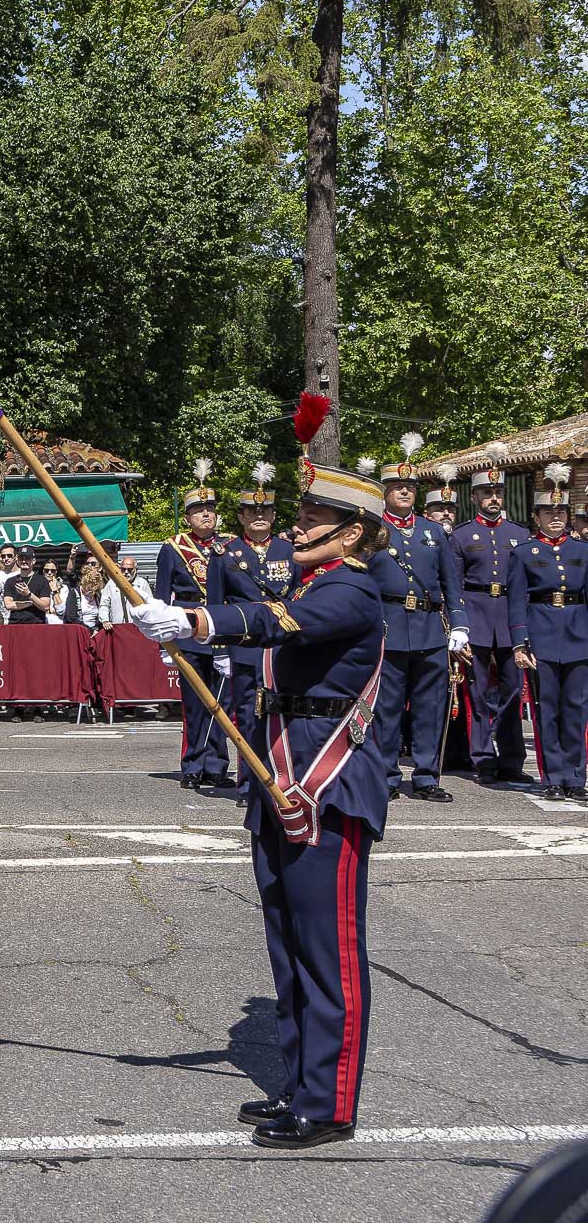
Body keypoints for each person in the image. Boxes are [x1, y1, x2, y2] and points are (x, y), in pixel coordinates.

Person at [132, 451, 389, 1150]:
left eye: (312, 521)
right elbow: (268, 619)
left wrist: (194, 623)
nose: (297, 531)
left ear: (354, 534)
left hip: (326, 783)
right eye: (300, 518)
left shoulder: (352, 591)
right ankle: (301, 1083)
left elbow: (271, 624)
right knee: (287, 942)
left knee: (327, 947)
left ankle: (331, 1103)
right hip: (276, 770)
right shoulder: (313, 585)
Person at [363, 438, 468, 802]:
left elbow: (449, 583)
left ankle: (426, 777)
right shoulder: (370, 531)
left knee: (430, 708)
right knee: (387, 708)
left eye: (409, 487)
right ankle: (387, 775)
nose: (405, 492)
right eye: (397, 487)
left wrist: (459, 623)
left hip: (429, 630)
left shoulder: (433, 531)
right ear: (385, 492)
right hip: (389, 627)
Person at [208, 463, 298, 801]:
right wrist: (220, 652)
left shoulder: (289, 552)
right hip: (244, 648)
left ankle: (282, 778)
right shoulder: (226, 554)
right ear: (242, 516)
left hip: (280, 646)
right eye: (251, 511)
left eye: (265, 511)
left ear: (274, 516)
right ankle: (248, 781)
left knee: (283, 713)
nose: (259, 516)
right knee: (247, 717)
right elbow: (215, 605)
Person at [508, 465, 588, 800]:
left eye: (560, 512)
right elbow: (516, 600)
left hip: (579, 635)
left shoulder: (583, 551)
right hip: (541, 634)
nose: (555, 517)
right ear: (536, 516)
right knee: (547, 708)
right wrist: (519, 642)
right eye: (548, 512)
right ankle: (553, 776)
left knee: (577, 709)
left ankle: (576, 776)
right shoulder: (524, 553)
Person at [450, 454, 530, 785]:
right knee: (478, 691)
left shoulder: (520, 534)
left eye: (497, 492)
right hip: (477, 614)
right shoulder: (461, 536)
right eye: (486, 493)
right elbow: (454, 585)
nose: (493, 498)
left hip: (510, 616)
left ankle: (512, 758)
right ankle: (482, 757)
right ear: (474, 498)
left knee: (513, 689)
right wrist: (458, 627)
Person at [154, 461, 234, 790]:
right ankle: (192, 764)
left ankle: (217, 766)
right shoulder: (173, 548)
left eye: (210, 509)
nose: (206, 515)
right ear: (187, 517)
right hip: (187, 627)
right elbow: (161, 597)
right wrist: (166, 641)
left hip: (222, 627)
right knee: (193, 703)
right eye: (199, 510)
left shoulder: (230, 546)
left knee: (222, 703)